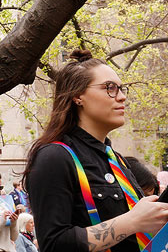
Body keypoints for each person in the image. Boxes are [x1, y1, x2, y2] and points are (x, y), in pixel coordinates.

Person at [25, 49, 168, 252]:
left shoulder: (117, 160)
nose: (121, 97)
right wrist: (132, 221)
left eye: (121, 88)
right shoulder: (54, 157)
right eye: (110, 88)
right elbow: (53, 244)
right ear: (77, 96)